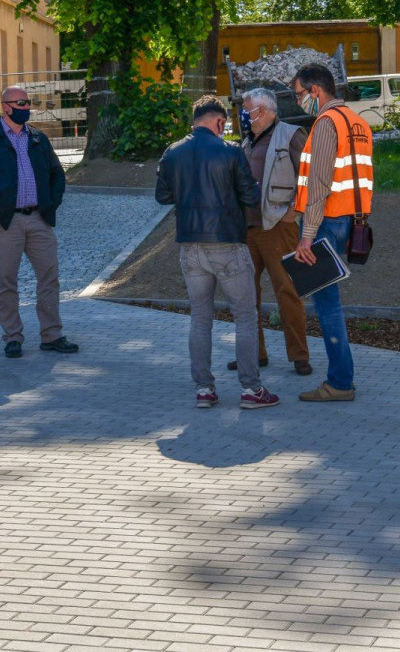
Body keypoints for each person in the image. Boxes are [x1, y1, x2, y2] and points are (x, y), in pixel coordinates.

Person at [156, 95, 278, 410]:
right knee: (245, 316)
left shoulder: (172, 153)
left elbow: (162, 196)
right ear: (220, 122)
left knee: (200, 318)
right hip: (227, 244)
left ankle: (204, 390)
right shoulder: (232, 152)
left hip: (190, 246)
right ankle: (251, 390)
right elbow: (250, 197)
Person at [0, 86, 77, 358]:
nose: (27, 107)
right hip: (4, 222)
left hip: (38, 219)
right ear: (6, 106)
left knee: (49, 278)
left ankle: (52, 335)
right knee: (6, 281)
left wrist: (51, 203)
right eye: (21, 102)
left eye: (28, 102)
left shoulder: (38, 138)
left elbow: (56, 173)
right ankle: (13, 337)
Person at [290, 63, 374, 403]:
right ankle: (341, 379)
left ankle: (340, 382)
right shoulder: (358, 122)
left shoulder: (325, 124)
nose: (297, 102)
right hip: (352, 222)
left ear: (315, 91)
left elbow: (318, 185)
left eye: (298, 95)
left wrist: (306, 236)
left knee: (328, 306)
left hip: (324, 223)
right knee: (330, 303)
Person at [226, 88, 312, 376]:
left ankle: (300, 356)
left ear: (263, 111)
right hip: (247, 230)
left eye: (247, 110)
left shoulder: (290, 134)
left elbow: (309, 176)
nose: (243, 116)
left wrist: (296, 212)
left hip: (278, 228)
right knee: (246, 297)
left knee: (287, 291)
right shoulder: (247, 141)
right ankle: (254, 355)